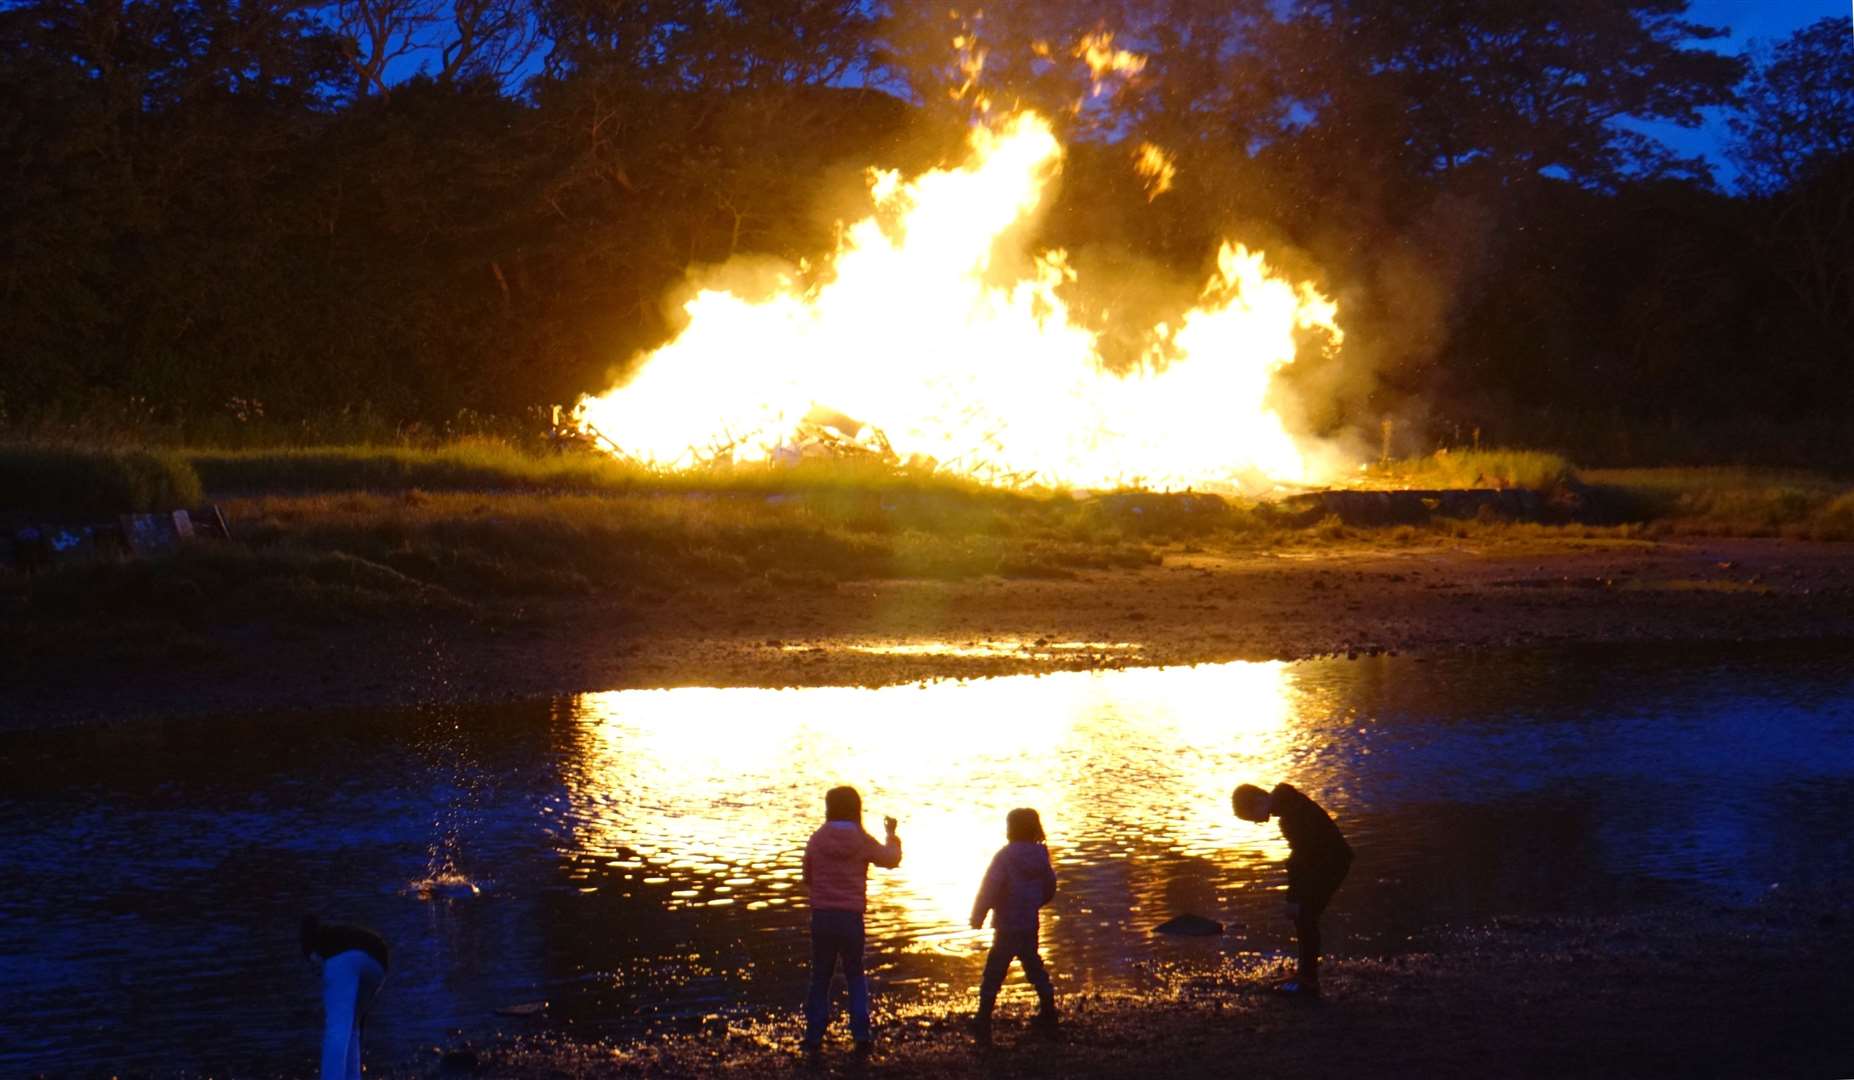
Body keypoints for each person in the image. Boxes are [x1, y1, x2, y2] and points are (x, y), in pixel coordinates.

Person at [801, 785, 902, 1057]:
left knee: (820, 975)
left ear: (828, 808)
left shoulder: (818, 838)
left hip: (822, 917)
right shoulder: (860, 839)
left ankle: (813, 1034)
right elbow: (891, 860)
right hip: (851, 919)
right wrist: (892, 835)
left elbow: (806, 875)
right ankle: (860, 1032)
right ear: (856, 809)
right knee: (855, 975)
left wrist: (820, 889)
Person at [1232, 781, 1352, 999]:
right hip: (1326, 862)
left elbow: (1300, 861)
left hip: (1332, 864)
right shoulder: (1288, 804)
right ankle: (1306, 974)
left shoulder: (1290, 816)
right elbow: (1301, 859)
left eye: (1253, 817)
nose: (1257, 823)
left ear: (1258, 801)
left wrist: (1293, 899)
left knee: (1305, 916)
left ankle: (1308, 980)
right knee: (1306, 917)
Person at [969, 807, 1058, 1039]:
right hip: (1029, 923)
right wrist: (1037, 902)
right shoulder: (1041, 856)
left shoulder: (1004, 857)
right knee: (1033, 965)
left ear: (1011, 830)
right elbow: (1050, 885)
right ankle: (1049, 1006)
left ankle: (983, 1017)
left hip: (1006, 925)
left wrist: (978, 915)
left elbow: (989, 887)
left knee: (994, 971)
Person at [301, 914, 390, 1080]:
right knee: (353, 1026)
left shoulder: (324, 947)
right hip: (379, 961)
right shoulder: (339, 933)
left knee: (336, 1028)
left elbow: (309, 924)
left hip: (346, 957)